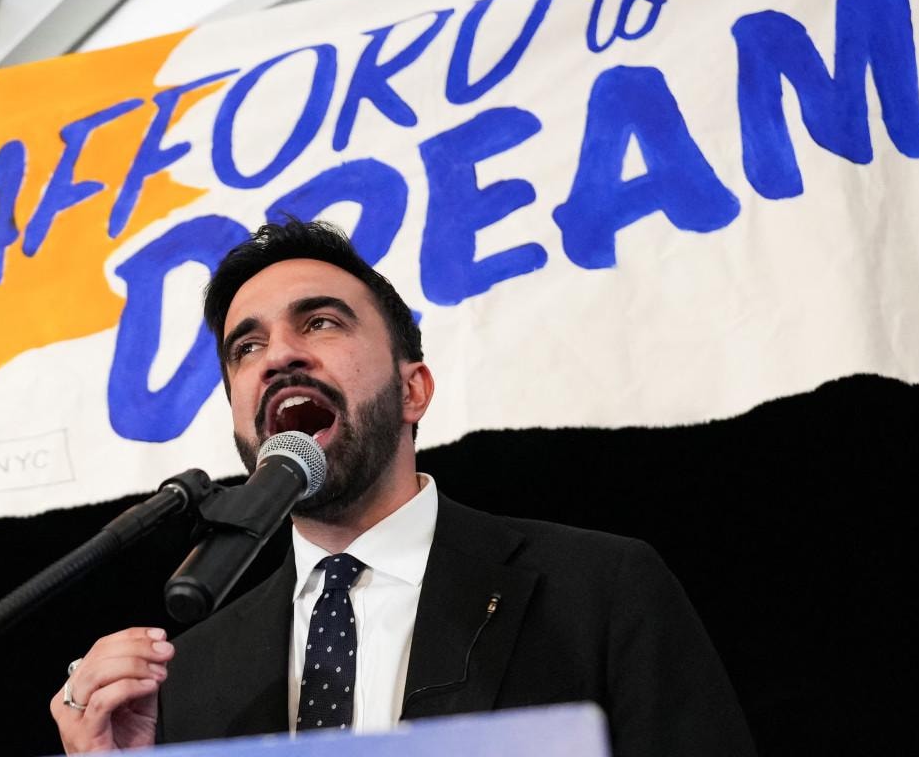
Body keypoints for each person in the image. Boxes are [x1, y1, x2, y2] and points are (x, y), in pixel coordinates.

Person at [50, 220, 756, 756]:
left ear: (412, 389)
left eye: (320, 322)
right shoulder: (188, 678)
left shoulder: (599, 588)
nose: (280, 355)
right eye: (247, 347)